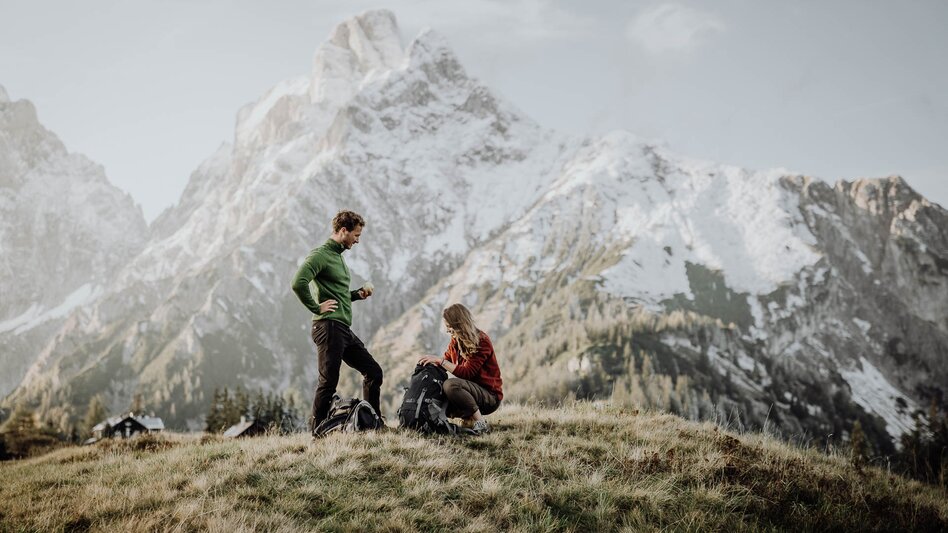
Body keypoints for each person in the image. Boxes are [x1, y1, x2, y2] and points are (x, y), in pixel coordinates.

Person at [292, 210, 384, 434]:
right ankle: (317, 433)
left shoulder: (338, 257)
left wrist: (356, 295)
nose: (357, 240)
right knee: (328, 382)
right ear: (343, 230)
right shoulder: (321, 254)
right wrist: (316, 307)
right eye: (356, 235)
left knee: (373, 372)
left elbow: (337, 293)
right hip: (328, 326)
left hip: (341, 328)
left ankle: (372, 425)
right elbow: (298, 282)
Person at [418, 303, 503, 434]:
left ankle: (481, 424)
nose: (447, 330)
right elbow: (446, 361)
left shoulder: (482, 341)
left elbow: (467, 373)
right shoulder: (455, 341)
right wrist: (428, 366)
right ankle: (432, 422)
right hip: (470, 393)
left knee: (451, 385)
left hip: (489, 398)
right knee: (439, 391)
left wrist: (440, 361)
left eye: (449, 326)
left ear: (458, 324)